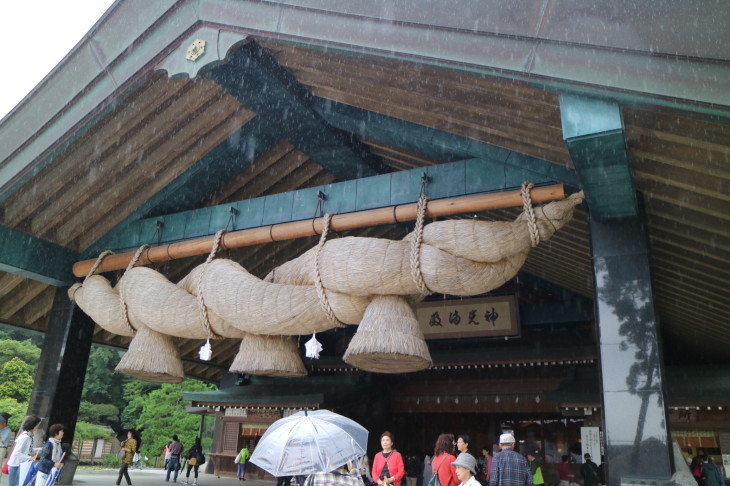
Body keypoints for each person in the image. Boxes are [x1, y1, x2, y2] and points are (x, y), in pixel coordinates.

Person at [7, 415, 42, 486]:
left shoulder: (28, 435)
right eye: (38, 424)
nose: (38, 426)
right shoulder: (25, 437)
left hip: (20, 464)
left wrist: (39, 449)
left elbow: (28, 450)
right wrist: (30, 458)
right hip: (15, 465)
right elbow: (16, 453)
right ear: (33, 425)